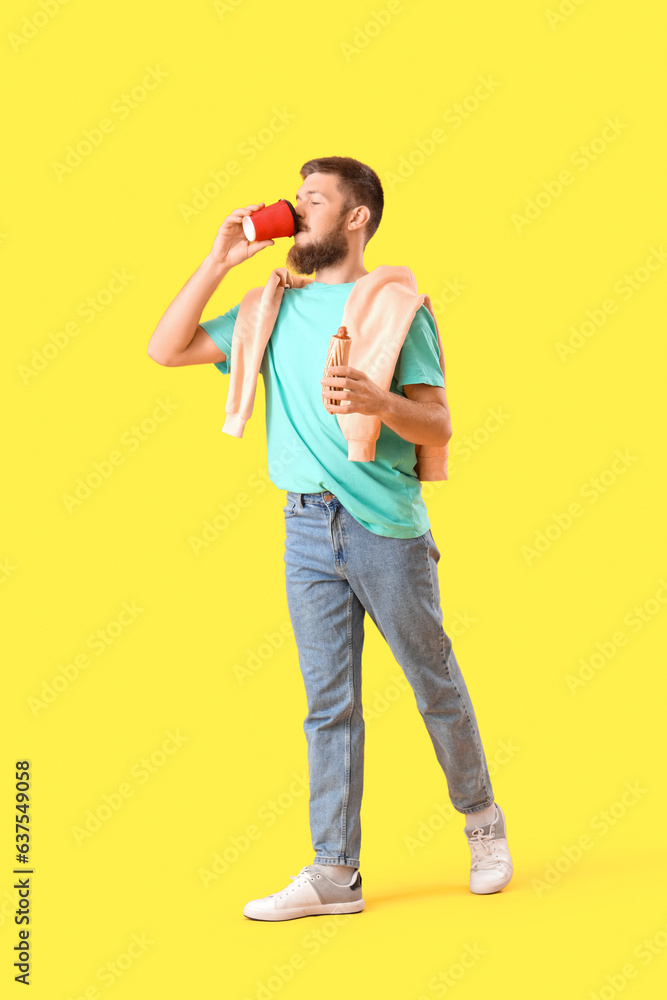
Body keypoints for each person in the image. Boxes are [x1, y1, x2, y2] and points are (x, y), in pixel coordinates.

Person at [147, 155, 513, 921]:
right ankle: (333, 873)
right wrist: (219, 259)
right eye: (296, 195)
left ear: (355, 218)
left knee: (431, 682)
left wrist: (380, 401)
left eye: (312, 197)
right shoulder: (268, 310)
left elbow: (437, 423)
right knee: (327, 704)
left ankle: (482, 825)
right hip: (305, 527)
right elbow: (166, 348)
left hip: (385, 529)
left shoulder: (399, 311)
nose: (294, 206)